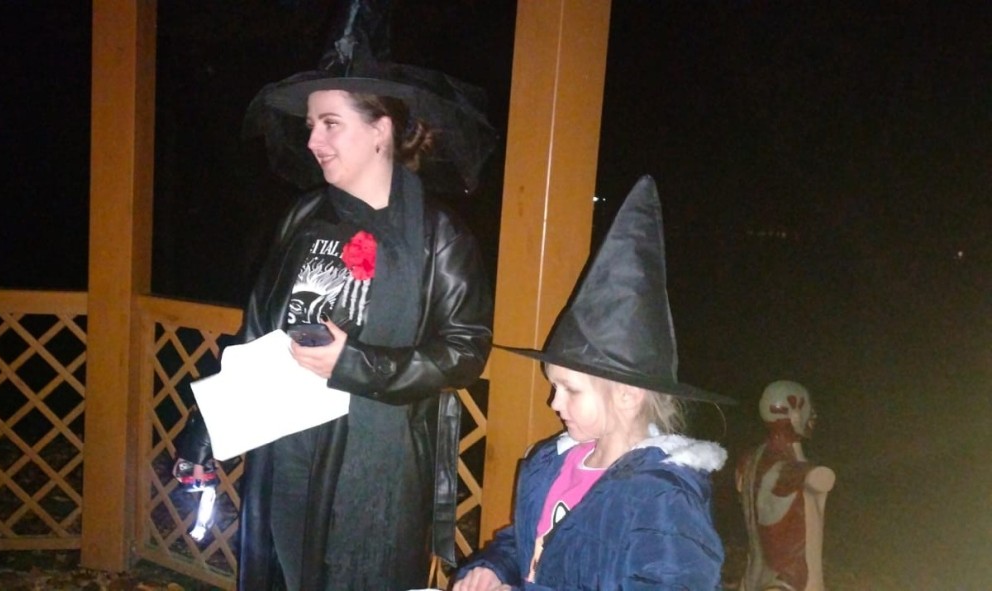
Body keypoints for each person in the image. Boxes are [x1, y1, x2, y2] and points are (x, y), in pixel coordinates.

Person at [173, 7, 496, 590]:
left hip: (376, 470)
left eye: (329, 124)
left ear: (380, 130)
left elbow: (465, 351)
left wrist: (355, 364)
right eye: (310, 125)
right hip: (286, 456)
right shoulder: (302, 217)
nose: (312, 141)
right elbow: (256, 331)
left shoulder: (437, 236)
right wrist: (204, 431)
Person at [453, 176, 735, 590]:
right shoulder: (554, 463)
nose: (554, 403)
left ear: (627, 395)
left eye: (571, 389)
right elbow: (533, 544)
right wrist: (494, 568)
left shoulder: (663, 498)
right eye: (555, 387)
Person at [736, 380, 835, 591]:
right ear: (794, 414)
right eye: (809, 409)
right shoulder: (801, 473)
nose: (813, 416)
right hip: (787, 582)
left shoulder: (748, 461)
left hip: (752, 579)